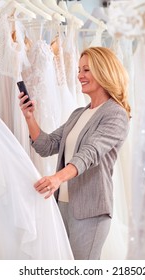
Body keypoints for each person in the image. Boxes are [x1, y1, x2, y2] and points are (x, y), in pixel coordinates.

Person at [18, 46, 131, 260]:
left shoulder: (116, 114)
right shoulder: (78, 114)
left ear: (104, 71)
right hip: (63, 205)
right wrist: (29, 117)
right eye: (79, 70)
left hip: (90, 211)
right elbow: (47, 145)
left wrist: (56, 178)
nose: (80, 76)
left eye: (86, 70)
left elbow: (90, 153)